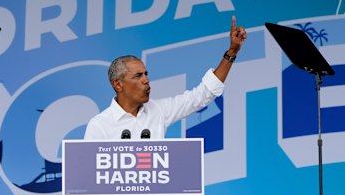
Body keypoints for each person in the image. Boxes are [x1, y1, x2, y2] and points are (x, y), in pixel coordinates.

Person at [84, 16, 247, 140]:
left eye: (146, 74)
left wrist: (231, 53)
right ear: (118, 84)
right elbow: (89, 176)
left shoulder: (158, 110)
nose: (146, 80)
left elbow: (202, 95)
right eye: (138, 76)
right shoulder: (100, 125)